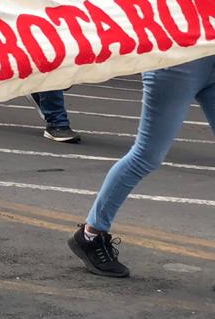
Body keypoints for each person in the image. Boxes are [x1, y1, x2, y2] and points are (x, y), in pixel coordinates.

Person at [68, 57, 215, 278]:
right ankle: (91, 235)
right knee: (146, 156)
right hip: (177, 59)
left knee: (146, 155)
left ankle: (91, 234)